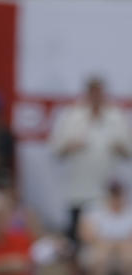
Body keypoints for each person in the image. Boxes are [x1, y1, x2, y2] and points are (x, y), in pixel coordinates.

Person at [48, 76, 132, 241]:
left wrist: (120, 148)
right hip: (79, 190)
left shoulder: (117, 116)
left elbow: (129, 150)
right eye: (92, 92)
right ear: (86, 93)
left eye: (98, 92)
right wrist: (70, 146)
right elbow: (56, 149)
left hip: (107, 190)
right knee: (79, 238)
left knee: (108, 236)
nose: (96, 96)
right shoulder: (71, 116)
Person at [76, 180, 132, 275]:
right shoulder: (93, 209)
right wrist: (107, 245)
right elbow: (85, 235)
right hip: (99, 250)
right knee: (100, 260)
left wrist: (115, 245)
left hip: (124, 251)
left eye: (118, 194)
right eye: (113, 194)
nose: (116, 198)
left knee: (129, 260)